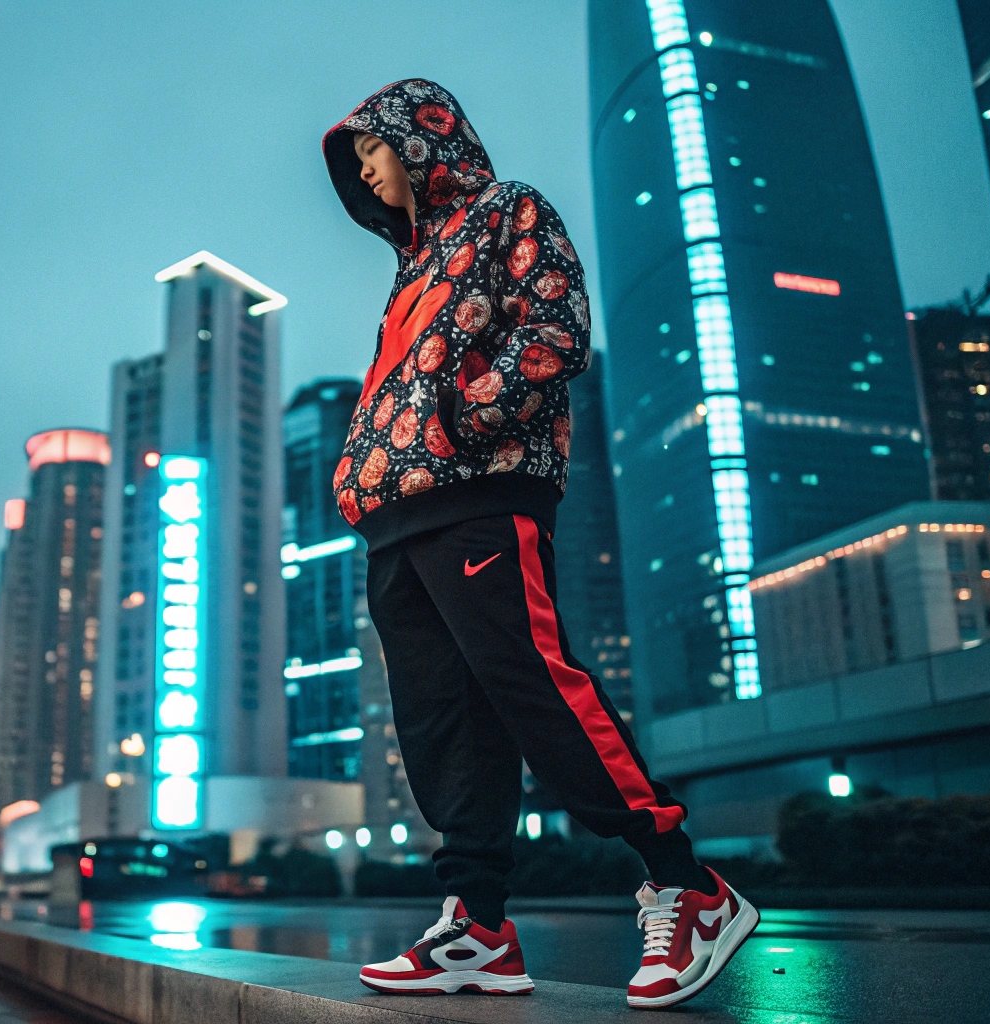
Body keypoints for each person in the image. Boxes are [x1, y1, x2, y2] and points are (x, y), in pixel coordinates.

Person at [319, 80, 757, 1010]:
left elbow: (557, 333)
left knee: (534, 687)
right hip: (396, 519)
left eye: (371, 147)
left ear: (419, 139)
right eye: (354, 158)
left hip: (479, 496)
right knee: (442, 725)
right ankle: (476, 926)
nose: (362, 168)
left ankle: (688, 885)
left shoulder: (507, 210)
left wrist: (458, 418)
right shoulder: (411, 268)